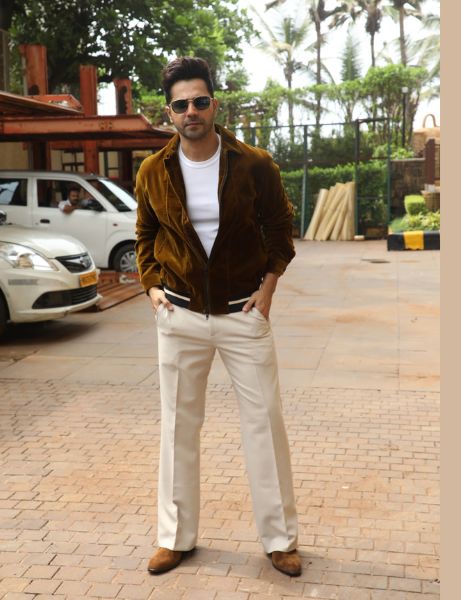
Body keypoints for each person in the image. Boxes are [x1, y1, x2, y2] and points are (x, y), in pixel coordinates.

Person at [134, 56, 301, 577]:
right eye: (181, 104)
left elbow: (280, 228)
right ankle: (174, 537)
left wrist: (269, 288)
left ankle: (280, 539)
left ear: (214, 104)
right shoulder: (153, 170)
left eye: (200, 101)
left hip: (242, 313)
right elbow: (145, 235)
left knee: (264, 422)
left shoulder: (253, 164)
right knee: (178, 427)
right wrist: (152, 288)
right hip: (179, 314)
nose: (191, 112)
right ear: (169, 112)